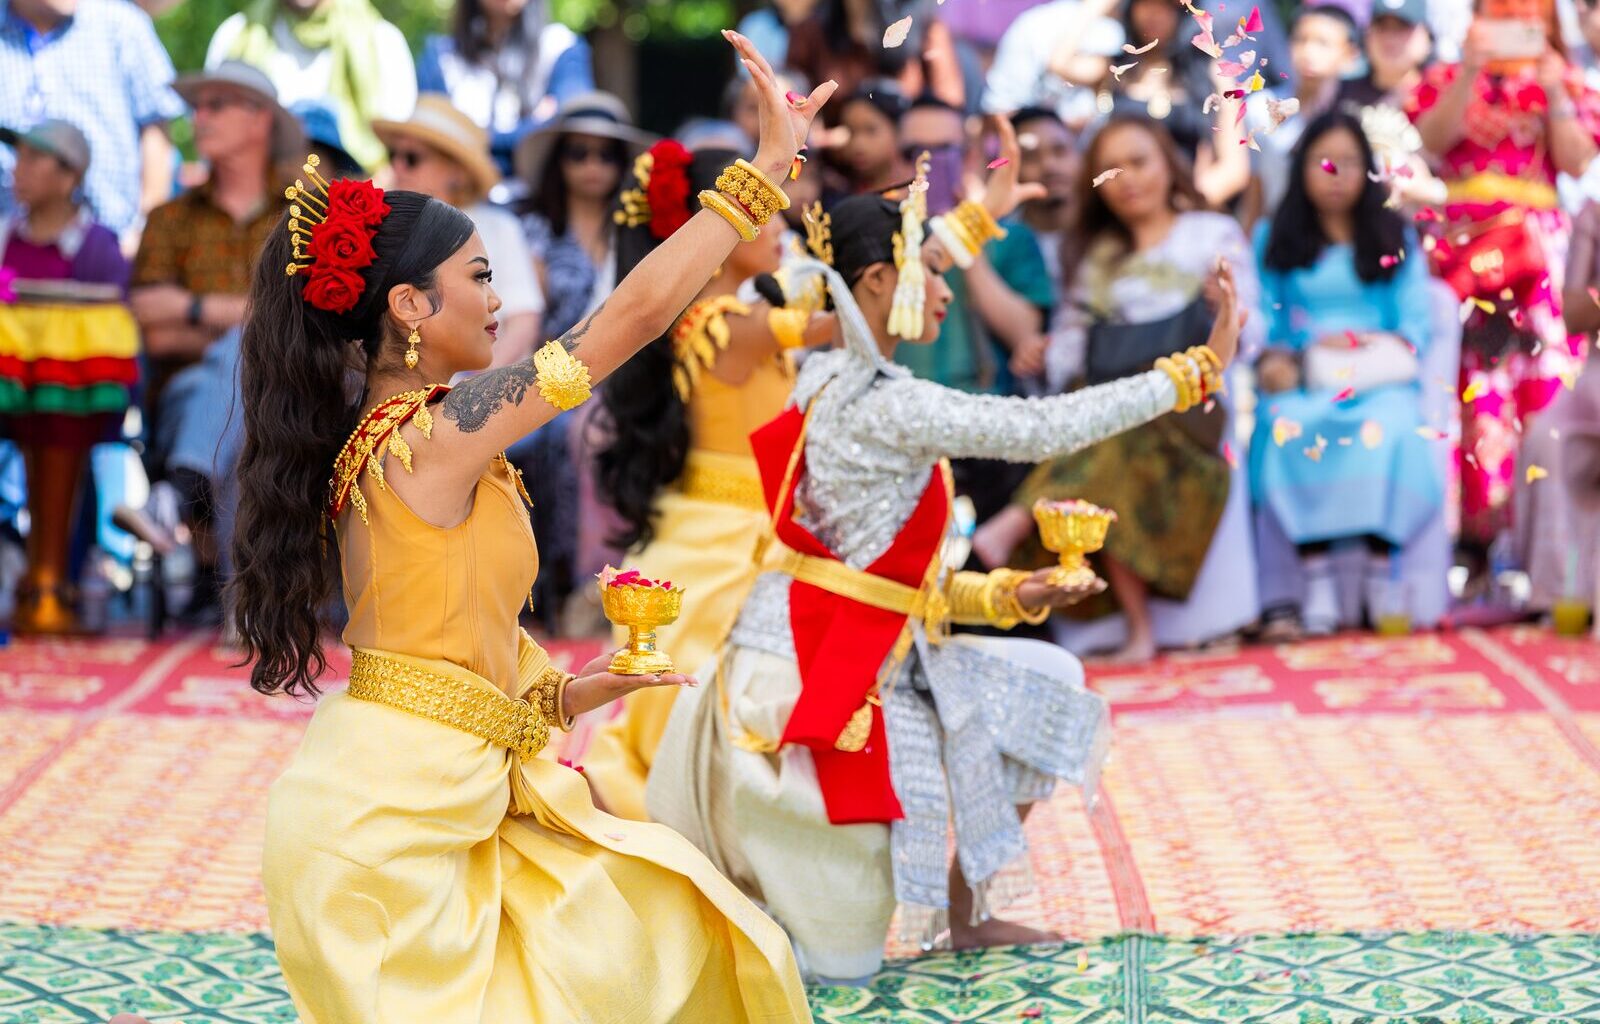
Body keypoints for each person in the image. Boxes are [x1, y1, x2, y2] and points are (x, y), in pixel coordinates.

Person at [230, 31, 832, 1022]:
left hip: (447, 784)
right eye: (478, 276)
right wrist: (762, 174)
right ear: (411, 305)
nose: (498, 296)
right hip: (392, 826)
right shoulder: (431, 435)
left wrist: (578, 690)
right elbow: (629, 320)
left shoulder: (421, 437)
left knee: (669, 933)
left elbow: (452, 637)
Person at [646, 120, 1246, 982]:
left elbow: (886, 582)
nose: (942, 290)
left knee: (1051, 678)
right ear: (878, 282)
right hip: (817, 688)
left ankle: (969, 912)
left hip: (846, 649)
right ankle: (792, 902)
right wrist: (1195, 370)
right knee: (832, 970)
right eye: (927, 272)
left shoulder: (828, 373)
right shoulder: (887, 402)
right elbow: (1045, 427)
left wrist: (1009, 597)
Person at [582, 144, 838, 820]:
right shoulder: (719, 324)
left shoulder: (735, 318)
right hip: (724, 541)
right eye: (766, 210)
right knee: (707, 698)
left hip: (749, 527)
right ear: (722, 230)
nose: (783, 221)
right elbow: (847, 322)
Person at [970, 117, 1262, 663]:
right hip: (1122, 408)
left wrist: (1221, 309)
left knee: (1116, 422)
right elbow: (1072, 346)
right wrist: (1043, 352)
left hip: (1191, 407)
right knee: (1113, 427)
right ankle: (1135, 627)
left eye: (1139, 162)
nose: (1127, 179)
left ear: (1167, 164)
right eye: (1112, 169)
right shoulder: (1095, 256)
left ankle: (1017, 519)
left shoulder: (1211, 234)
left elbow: (1252, 333)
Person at [1408, 0, 1600, 572]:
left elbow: (1576, 162)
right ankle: (1473, 541)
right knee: (1471, 384)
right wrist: (1470, 70)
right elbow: (1429, 141)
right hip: (1462, 250)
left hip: (1535, 255)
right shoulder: (1445, 76)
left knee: (1541, 383)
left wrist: (1555, 90)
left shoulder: (1565, 80)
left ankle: (1539, 543)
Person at [1251, 111, 1441, 636]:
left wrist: (1367, 344)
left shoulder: (1394, 234)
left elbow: (1415, 322)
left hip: (1380, 378)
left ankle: (1381, 572)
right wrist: (1291, 354)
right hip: (1307, 376)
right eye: (1324, 162)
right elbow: (1264, 315)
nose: (1336, 175)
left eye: (1350, 162)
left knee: (1394, 427)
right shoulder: (1273, 237)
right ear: (1302, 167)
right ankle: (1315, 578)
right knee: (1287, 424)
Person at [130, 61, 303, 624]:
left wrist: (193, 309)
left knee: (247, 361)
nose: (198, 117)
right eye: (197, 106)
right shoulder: (169, 218)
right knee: (244, 374)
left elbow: (314, 322)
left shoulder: (305, 217)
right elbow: (152, 329)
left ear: (260, 120)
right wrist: (254, 317)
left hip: (293, 392)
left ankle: (175, 495)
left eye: (216, 105)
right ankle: (247, 599)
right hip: (190, 396)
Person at [0, 120, 131, 633]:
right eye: (19, 157)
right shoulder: (5, 235)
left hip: (71, 393)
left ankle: (52, 582)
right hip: (13, 388)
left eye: (35, 158)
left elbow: (113, 317)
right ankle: (37, 581)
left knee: (62, 461)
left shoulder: (96, 246)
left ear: (70, 175)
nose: (19, 169)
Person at [375, 94, 544, 369]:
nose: (397, 166)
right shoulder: (387, 228)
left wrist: (478, 386)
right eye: (393, 155)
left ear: (457, 170)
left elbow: (524, 321)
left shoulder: (500, 227)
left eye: (412, 158)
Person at [0, 0, 184, 239]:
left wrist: (144, 231)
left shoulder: (121, 23)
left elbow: (156, 126)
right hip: (10, 242)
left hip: (113, 238)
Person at [205, 0, 417, 173]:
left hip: (356, 200)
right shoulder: (235, 35)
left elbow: (401, 153)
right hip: (255, 203)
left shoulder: (383, 41)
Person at [1515, 199, 1600, 613]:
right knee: (1546, 440)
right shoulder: (1594, 215)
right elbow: (1575, 315)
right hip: (1595, 381)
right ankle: (1562, 595)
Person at [416, 0, 594, 175]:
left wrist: (473, 137)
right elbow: (432, 134)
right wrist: (535, 127)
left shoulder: (560, 47)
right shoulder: (442, 57)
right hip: (462, 188)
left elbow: (575, 124)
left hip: (540, 188)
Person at [1243, 4, 1362, 225]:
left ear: (1350, 55)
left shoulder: (1357, 117)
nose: (1308, 52)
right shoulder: (1260, 109)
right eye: (1300, 40)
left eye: (1322, 43)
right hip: (1278, 235)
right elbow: (1255, 189)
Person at [785, 0, 966, 117]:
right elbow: (795, 94)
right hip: (835, 157)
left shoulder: (922, 24)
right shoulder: (812, 29)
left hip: (907, 154)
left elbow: (949, 103)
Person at [1010, 107, 1081, 381]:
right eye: (1030, 157)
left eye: (1060, 151)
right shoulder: (999, 241)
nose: (1049, 166)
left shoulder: (1111, 228)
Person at [980, 0, 1126, 130]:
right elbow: (1059, 64)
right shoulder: (1034, 23)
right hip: (1028, 135)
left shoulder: (1031, 20)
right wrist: (1092, 8)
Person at [1336, 0, 1434, 109]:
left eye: (1402, 27)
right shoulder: (1337, 96)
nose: (1390, 38)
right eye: (1382, 26)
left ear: (1427, 36)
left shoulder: (1441, 98)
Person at [834, 82, 912, 194]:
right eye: (851, 131)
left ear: (896, 130)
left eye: (870, 130)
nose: (858, 144)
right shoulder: (842, 191)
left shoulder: (919, 187)